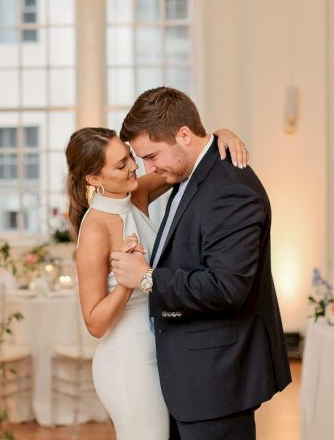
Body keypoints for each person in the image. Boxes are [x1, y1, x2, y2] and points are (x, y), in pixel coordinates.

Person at [110, 87, 292, 440]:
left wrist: (146, 279)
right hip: (192, 376)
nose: (149, 168)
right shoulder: (189, 168)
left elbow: (227, 288)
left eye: (152, 155)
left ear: (183, 135)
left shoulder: (230, 190)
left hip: (216, 379)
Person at [64, 124, 249, 440]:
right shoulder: (95, 229)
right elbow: (94, 324)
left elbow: (184, 162)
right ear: (94, 179)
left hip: (160, 350)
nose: (134, 167)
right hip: (128, 360)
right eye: (121, 165)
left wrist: (221, 135)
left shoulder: (134, 192)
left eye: (130, 157)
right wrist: (127, 281)